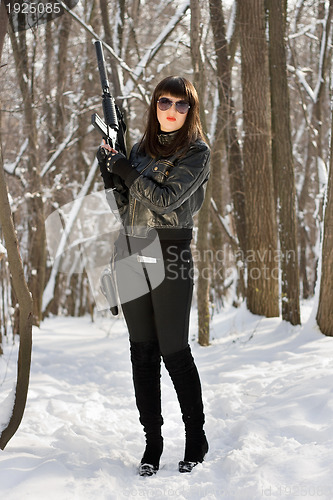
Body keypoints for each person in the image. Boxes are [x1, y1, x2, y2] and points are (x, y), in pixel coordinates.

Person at [96, 76, 210, 476]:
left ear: (190, 111)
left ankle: (195, 435)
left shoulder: (197, 153)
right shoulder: (141, 151)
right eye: (165, 102)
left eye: (181, 105)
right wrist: (109, 172)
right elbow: (124, 207)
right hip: (131, 251)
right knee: (141, 352)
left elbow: (165, 200)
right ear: (155, 105)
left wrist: (125, 169)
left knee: (173, 350)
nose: (172, 111)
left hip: (170, 252)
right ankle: (153, 442)